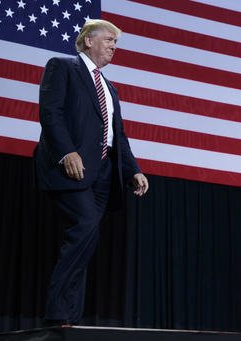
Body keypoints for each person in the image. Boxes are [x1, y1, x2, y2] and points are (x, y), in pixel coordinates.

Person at [34, 19, 149, 326]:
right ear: (89, 41)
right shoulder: (61, 66)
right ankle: (56, 312)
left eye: (116, 42)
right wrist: (66, 152)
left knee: (87, 237)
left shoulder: (110, 89)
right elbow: (50, 111)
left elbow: (118, 135)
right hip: (71, 168)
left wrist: (133, 170)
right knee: (85, 226)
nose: (114, 46)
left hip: (102, 175)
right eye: (110, 40)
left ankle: (68, 318)